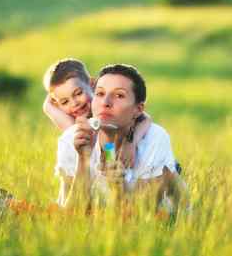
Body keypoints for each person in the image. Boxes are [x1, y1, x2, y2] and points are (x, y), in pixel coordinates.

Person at [56, 64, 188, 215]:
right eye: (99, 93)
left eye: (119, 95)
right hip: (101, 217)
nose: (105, 102)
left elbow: (140, 216)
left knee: (169, 175)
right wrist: (83, 159)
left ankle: (173, 171)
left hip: (165, 210)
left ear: (138, 109)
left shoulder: (155, 139)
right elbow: (71, 215)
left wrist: (119, 187)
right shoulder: (71, 139)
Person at [43, 59, 152, 204]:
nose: (75, 103)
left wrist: (130, 143)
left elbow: (145, 118)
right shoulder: (73, 126)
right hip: (87, 170)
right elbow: (48, 107)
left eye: (78, 93)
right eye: (64, 102)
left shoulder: (104, 107)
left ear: (92, 84)